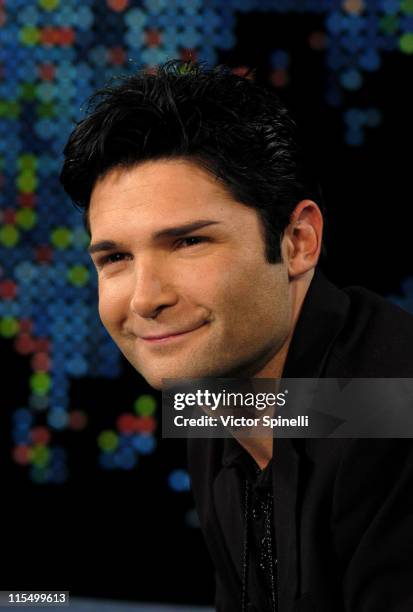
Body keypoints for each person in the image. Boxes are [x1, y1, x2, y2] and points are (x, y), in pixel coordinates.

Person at [59, 60, 413, 612]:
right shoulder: (210, 401)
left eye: (189, 242)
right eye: (116, 257)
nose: (145, 298)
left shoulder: (393, 416)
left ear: (298, 242)